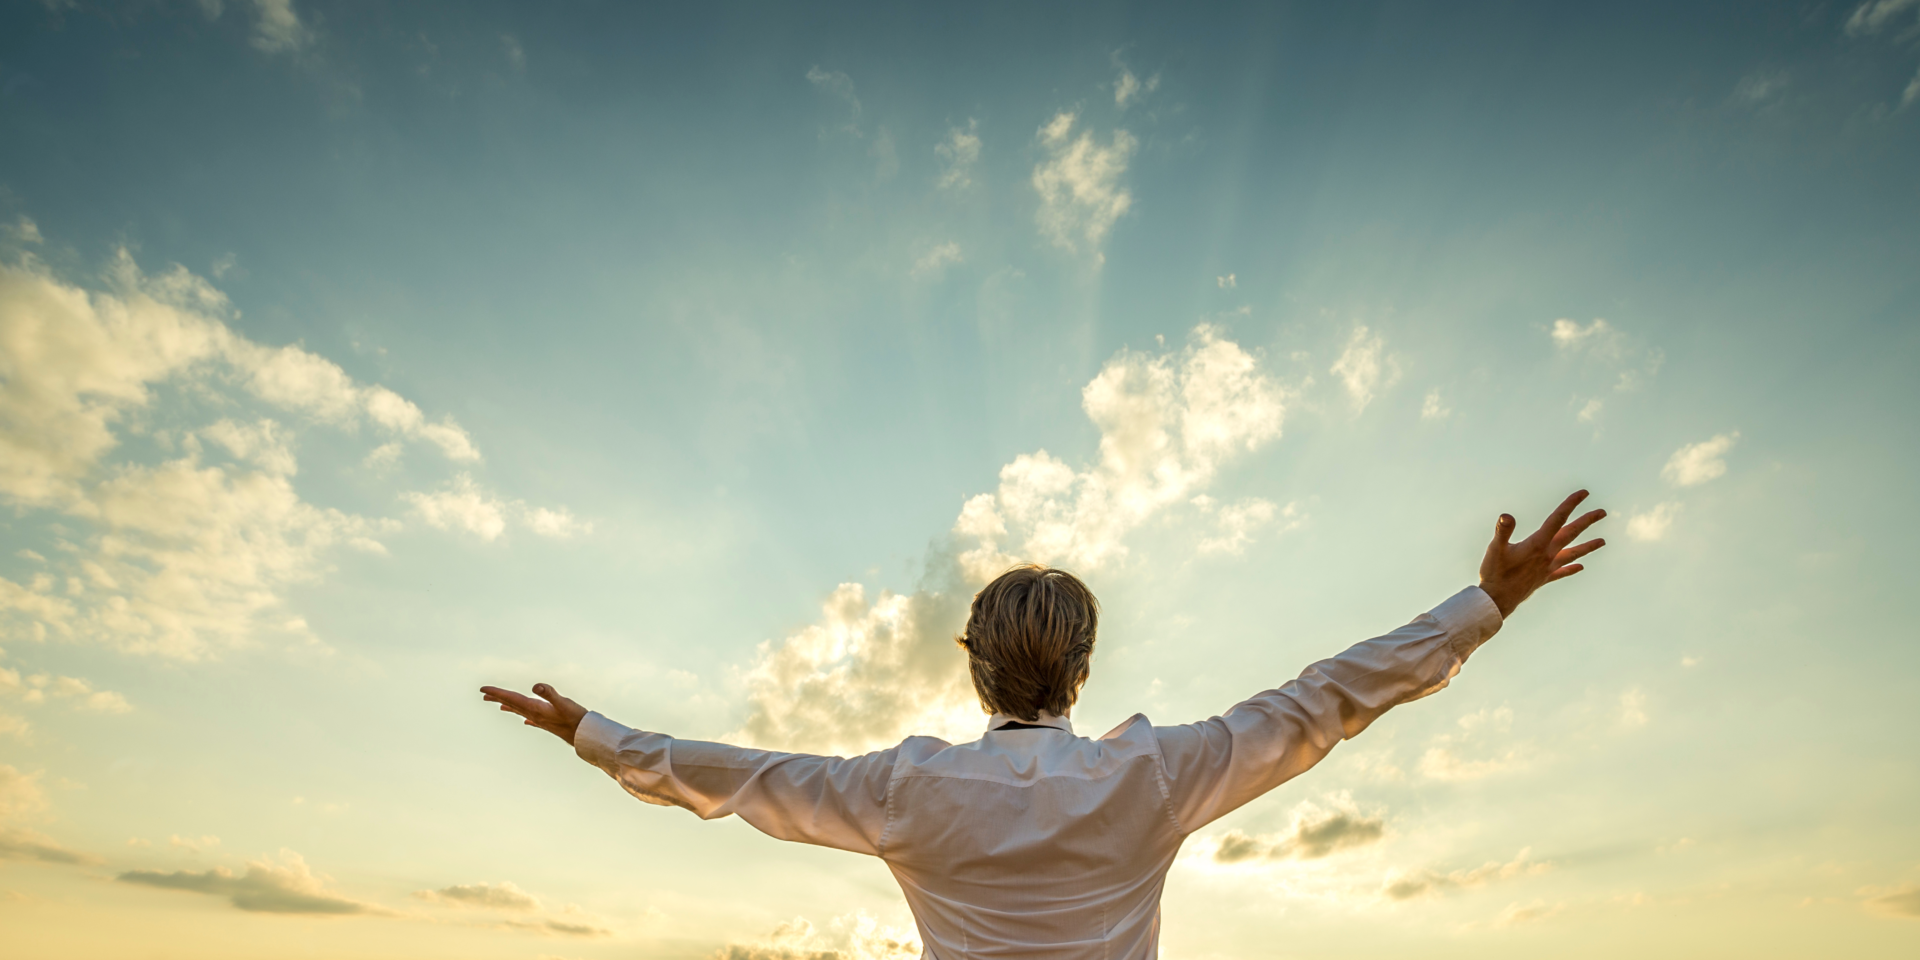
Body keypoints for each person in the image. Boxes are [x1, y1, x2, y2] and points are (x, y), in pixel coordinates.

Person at [482, 490, 1606, 960]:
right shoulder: (1155, 776)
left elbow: (740, 775)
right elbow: (1326, 700)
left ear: (974, 667)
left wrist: (593, 733)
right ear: (1083, 666)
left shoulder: (906, 793)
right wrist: (1488, 603)